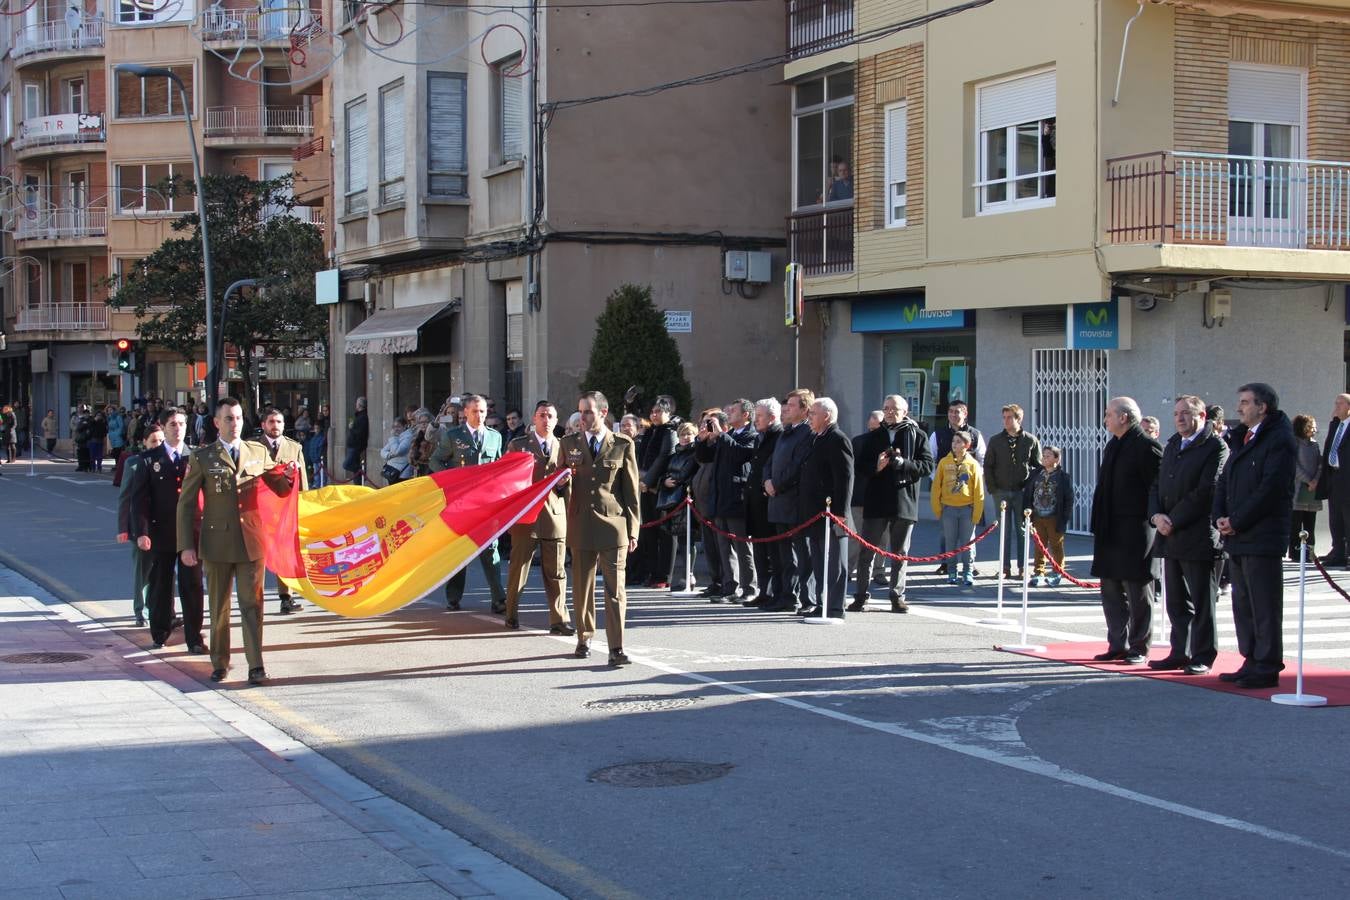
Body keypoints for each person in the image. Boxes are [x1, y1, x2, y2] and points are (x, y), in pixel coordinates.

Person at [178, 398, 290, 686]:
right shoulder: (203, 457)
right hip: (216, 544)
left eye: (239, 418)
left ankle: (256, 665)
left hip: (252, 542)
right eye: (229, 418)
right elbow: (187, 504)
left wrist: (289, 477)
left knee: (253, 605)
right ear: (216, 422)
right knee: (219, 607)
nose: (235, 423)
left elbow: (278, 488)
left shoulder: (257, 451)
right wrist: (186, 546)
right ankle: (220, 662)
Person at [1213, 383, 1296, 689]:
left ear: (1263, 407)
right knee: (1243, 602)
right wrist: (1219, 516)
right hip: (1237, 535)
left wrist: (1237, 520)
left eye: (1246, 402)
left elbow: (1271, 489)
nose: (1239, 408)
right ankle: (1250, 658)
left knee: (1264, 605)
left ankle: (1267, 664)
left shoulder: (1280, 439)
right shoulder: (1243, 437)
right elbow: (1225, 479)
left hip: (1262, 535)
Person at [1147, 396, 1227, 675]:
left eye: (1185, 413)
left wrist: (1173, 519)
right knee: (1176, 601)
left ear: (1201, 415)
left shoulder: (1215, 446)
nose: (1179, 418)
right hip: (1170, 534)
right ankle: (1180, 650)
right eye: (1176, 413)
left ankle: (1203, 653)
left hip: (1198, 535)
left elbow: (1207, 490)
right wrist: (1156, 516)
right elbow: (1157, 484)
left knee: (1202, 601)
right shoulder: (1172, 445)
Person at [562, 390, 640, 666]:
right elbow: (559, 484)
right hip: (581, 525)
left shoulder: (622, 444)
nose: (582, 417)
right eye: (580, 411)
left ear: (603, 413)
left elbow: (630, 492)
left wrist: (633, 530)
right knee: (581, 587)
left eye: (588, 412)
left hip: (613, 526)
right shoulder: (568, 443)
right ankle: (584, 637)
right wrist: (560, 484)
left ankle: (616, 647)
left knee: (614, 590)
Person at [1090, 397, 1162, 665]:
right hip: (1110, 528)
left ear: (1123, 417)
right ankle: (1117, 643)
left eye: (1109, 414)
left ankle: (1139, 646)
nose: (1105, 418)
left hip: (1135, 529)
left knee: (1138, 591)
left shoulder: (1147, 446)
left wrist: (1153, 518)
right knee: (1110, 589)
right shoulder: (1113, 445)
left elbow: (1156, 488)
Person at [851, 395, 934, 611]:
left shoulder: (917, 435)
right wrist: (877, 466)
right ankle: (860, 595)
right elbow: (860, 467)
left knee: (900, 553)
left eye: (894, 409)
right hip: (876, 501)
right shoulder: (873, 436)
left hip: (903, 501)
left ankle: (897, 596)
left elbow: (926, 466)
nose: (889, 412)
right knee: (866, 552)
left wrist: (902, 463)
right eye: (886, 408)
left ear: (904, 412)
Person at [133, 409, 206, 653]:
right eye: (173, 424)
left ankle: (194, 638)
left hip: (190, 534)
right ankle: (160, 632)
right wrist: (142, 532)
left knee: (193, 586)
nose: (178, 428)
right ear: (163, 427)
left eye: (182, 424)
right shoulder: (149, 459)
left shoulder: (196, 457)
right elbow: (140, 500)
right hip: (160, 532)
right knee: (161, 585)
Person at [503, 401, 575, 635]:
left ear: (556, 420)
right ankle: (511, 612)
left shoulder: (564, 446)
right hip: (526, 516)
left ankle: (559, 619)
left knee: (556, 571)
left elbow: (570, 483)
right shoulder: (519, 445)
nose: (546, 420)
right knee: (518, 569)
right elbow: (508, 480)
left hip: (554, 515)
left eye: (550, 416)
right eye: (542, 415)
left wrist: (565, 483)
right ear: (534, 419)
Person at [430, 394, 507, 613]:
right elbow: (435, 460)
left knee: (490, 549)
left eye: (482, 411)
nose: (479, 415)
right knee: (459, 549)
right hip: (461, 502)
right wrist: (452, 480)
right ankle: (453, 596)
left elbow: (499, 467)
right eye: (474, 411)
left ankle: (498, 598)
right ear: (465, 413)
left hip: (486, 503)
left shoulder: (495, 437)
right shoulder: (454, 436)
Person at [697, 399, 760, 602]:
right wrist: (703, 440)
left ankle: (749, 588)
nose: (728, 413)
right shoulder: (728, 436)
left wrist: (721, 435)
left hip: (737, 497)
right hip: (721, 498)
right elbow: (706, 458)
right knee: (724, 545)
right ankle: (729, 586)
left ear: (746, 415)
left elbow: (740, 455)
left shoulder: (751, 435)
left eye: (733, 411)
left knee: (742, 546)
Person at [798, 398, 854, 618]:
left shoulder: (837, 439)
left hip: (832, 513)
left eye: (813, 413)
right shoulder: (816, 438)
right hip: (814, 514)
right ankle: (822, 605)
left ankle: (834, 607)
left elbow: (845, 478)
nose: (809, 417)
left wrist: (840, 512)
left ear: (827, 416)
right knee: (820, 563)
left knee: (834, 565)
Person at [763, 389, 816, 612]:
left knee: (802, 555)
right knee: (783, 555)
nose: (786, 410)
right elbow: (770, 462)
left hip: (794, 502)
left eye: (792, 406)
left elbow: (797, 466)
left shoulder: (807, 433)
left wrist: (777, 485)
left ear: (805, 410)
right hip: (777, 501)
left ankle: (807, 598)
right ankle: (785, 594)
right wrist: (766, 480)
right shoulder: (786, 432)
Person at [260, 408, 309, 614]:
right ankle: (255, 598)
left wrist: (303, 506)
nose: (275, 425)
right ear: (263, 425)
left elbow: (303, 482)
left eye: (279, 422)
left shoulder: (293, 447)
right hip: (260, 510)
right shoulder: (253, 447)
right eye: (271, 421)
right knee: (258, 556)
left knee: (285, 553)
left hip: (285, 509)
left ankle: (286, 597)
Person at [984, 404, 1042, 579]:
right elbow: (988, 465)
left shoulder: (1030, 440)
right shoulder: (996, 440)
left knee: (1022, 530)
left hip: (1021, 492)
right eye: (1004, 417)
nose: (1006, 421)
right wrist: (992, 488)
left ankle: (1023, 567)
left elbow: (1037, 466)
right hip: (1000, 491)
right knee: (1004, 531)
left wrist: (1029, 486)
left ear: (1018, 419)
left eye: (1009, 417)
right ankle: (1004, 567)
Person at [118, 423, 162, 626]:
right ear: (144, 442)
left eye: (161, 441)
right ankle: (139, 609)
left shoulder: (168, 460)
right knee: (141, 571)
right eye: (154, 441)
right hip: (140, 525)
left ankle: (159, 609)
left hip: (163, 525)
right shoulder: (134, 464)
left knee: (160, 571)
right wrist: (123, 528)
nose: (158, 444)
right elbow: (125, 498)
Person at [931, 431, 985, 586]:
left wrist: (977, 513)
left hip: (967, 509)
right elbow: (936, 487)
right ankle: (952, 570)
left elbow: (978, 490)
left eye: (959, 442)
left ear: (967, 445)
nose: (955, 444)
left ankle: (967, 571)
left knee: (967, 543)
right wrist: (937, 508)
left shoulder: (972, 464)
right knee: (950, 541)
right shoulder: (943, 462)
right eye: (954, 441)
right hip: (948, 509)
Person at [638, 396, 678, 589]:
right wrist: (640, 479)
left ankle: (664, 574)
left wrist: (648, 481)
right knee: (649, 532)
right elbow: (641, 458)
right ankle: (652, 572)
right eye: (652, 412)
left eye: (658, 412)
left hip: (661, 488)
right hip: (645, 486)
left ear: (668, 413)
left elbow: (664, 457)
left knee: (665, 533)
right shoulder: (649, 432)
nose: (654, 415)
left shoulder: (670, 432)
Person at [656, 422, 700, 590]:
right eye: (682, 434)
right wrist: (664, 481)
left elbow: (686, 475)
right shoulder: (675, 454)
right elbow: (666, 472)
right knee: (681, 538)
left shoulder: (694, 453)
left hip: (686, 500)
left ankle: (688, 574)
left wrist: (676, 482)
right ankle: (684, 575)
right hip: (673, 501)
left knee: (687, 540)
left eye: (688, 434)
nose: (685, 438)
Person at [1025, 446, 1074, 587]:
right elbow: (1029, 491)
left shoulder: (1063, 477)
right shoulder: (1036, 474)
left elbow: (1069, 499)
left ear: (1056, 459)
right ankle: (1038, 572)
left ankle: (1057, 572)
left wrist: (1065, 517)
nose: (1044, 458)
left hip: (1054, 516)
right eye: (1043, 456)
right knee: (1039, 545)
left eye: (1048, 456)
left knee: (1056, 545)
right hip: (1038, 515)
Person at [1315, 393, 1350, 566]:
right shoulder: (1338, 424)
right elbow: (1330, 446)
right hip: (1334, 477)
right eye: (1335, 403)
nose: (1336, 407)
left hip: (1347, 478)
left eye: (1340, 404)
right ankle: (1338, 552)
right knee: (1335, 518)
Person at [1290, 414, 1321, 562]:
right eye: (1311, 426)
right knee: (1295, 523)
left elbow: (1320, 464)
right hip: (1298, 488)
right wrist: (1308, 480)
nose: (1314, 429)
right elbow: (1294, 466)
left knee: (1310, 523)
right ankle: (1296, 553)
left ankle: (1309, 552)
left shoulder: (1315, 444)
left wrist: (1315, 481)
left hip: (1312, 490)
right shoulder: (1294, 443)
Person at [378, 420, 414, 485]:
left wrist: (393, 437)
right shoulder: (397, 436)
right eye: (394, 427)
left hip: (402, 472)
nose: (395, 429)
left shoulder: (408, 437)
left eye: (398, 426)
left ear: (405, 426)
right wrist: (390, 455)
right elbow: (383, 451)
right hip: (391, 469)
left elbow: (397, 451)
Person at [344, 396, 369, 484]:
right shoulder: (358, 415)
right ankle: (357, 483)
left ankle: (361, 471)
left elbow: (360, 432)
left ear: (359, 405)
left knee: (347, 464)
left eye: (357, 404)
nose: (355, 405)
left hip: (356, 445)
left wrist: (351, 428)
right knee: (354, 466)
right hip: (353, 444)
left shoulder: (363, 417)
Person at [88, 406, 108, 473]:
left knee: (100, 456)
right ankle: (93, 467)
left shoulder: (103, 423)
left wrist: (104, 438)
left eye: (100, 415)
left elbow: (105, 431)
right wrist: (94, 420)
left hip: (100, 440)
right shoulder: (92, 421)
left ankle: (99, 467)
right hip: (93, 440)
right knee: (93, 455)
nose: (99, 416)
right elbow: (89, 428)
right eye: (97, 415)